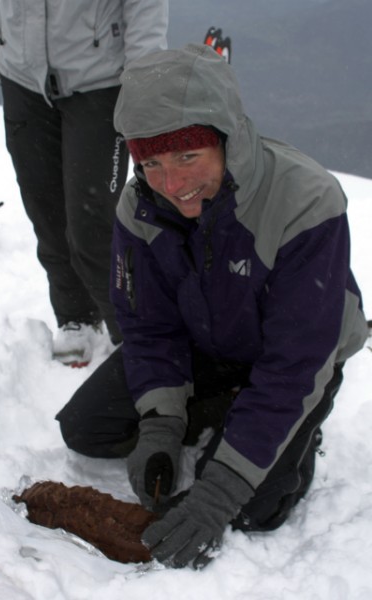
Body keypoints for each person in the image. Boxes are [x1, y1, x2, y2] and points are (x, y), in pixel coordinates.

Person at [56, 44, 369, 568]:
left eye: (186, 156)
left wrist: (221, 490)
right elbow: (150, 327)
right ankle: (230, 408)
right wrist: (160, 423)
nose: (172, 184)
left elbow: (294, 364)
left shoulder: (306, 201)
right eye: (151, 162)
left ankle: (291, 431)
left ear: (225, 139)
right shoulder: (141, 208)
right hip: (209, 339)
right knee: (88, 429)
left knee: (254, 508)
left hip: (294, 358)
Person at [0, 0, 168, 366]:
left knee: (94, 227)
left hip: (99, 87)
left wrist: (144, 98)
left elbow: (144, 8)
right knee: (47, 216)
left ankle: (136, 338)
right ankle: (76, 319)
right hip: (23, 86)